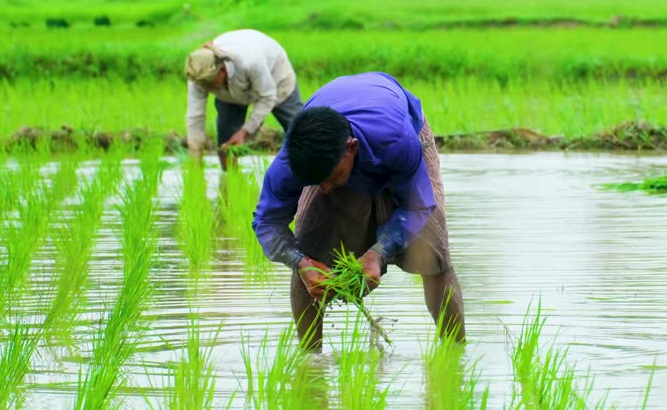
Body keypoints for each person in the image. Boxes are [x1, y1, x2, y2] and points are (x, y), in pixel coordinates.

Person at [252, 71, 466, 351]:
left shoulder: (397, 141)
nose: (326, 190)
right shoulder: (292, 165)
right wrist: (300, 262)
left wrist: (379, 253)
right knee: (309, 248)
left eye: (332, 178)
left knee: (433, 255)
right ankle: (311, 359)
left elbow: (418, 205)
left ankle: (456, 355)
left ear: (351, 148)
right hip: (334, 142)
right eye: (318, 183)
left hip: (403, 129)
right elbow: (266, 223)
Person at [185, 29, 303, 171]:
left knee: (300, 130)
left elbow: (267, 97)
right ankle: (228, 178)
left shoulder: (250, 61)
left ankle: (309, 176)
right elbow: (195, 116)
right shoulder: (198, 75)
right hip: (231, 93)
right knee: (226, 142)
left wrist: (245, 132)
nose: (207, 89)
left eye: (210, 84)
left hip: (276, 79)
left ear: (222, 70)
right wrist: (195, 157)